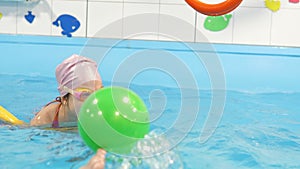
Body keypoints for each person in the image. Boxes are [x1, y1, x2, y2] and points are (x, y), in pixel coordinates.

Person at [30, 54, 106, 169]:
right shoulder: (46, 119)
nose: (95, 101)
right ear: (64, 99)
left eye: (99, 92)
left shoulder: (101, 113)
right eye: (85, 94)